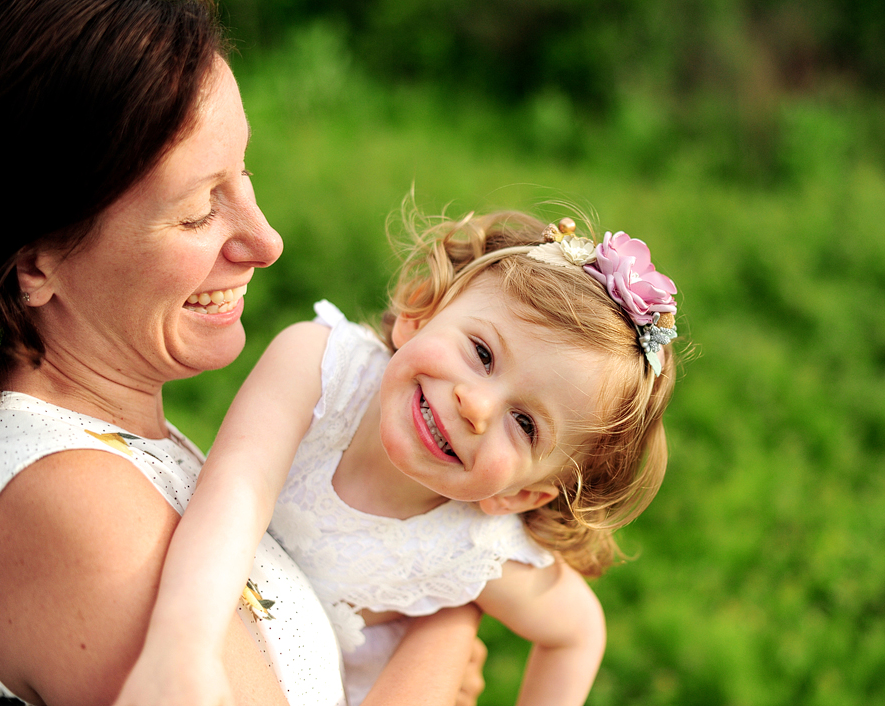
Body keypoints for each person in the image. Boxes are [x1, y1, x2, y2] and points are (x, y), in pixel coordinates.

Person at [0, 2, 485, 705]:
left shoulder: (113, 447)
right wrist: (445, 633)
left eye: (242, 173)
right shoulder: (77, 506)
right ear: (35, 262)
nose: (266, 240)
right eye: (197, 210)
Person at [126, 203, 680, 705]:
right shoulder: (321, 370)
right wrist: (183, 651)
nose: (476, 406)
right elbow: (235, 494)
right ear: (422, 310)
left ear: (519, 495)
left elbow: (577, 633)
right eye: (482, 353)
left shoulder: (471, 546)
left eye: (525, 423)